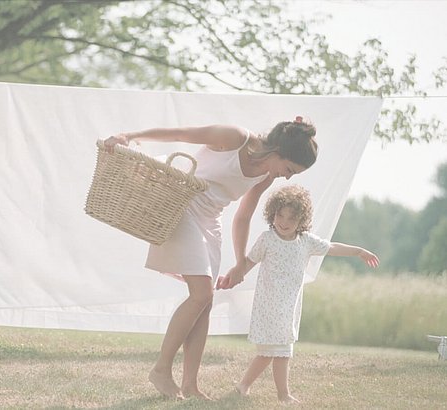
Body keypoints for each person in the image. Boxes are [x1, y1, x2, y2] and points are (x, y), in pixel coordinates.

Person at [103, 117, 318, 400]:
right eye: (289, 169)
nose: (287, 177)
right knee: (200, 293)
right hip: (183, 206)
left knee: (206, 301)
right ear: (279, 150)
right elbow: (181, 132)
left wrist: (240, 261)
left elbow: (243, 216)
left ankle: (190, 384)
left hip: (210, 222)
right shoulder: (235, 136)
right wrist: (127, 133)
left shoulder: (265, 175)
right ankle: (161, 369)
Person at [216, 184, 380, 403]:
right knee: (274, 351)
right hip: (269, 306)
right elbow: (247, 263)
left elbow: (331, 247)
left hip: (288, 307)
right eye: (280, 215)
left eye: (291, 218)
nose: (284, 222)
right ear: (272, 213)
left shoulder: (306, 242)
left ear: (301, 221)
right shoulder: (267, 239)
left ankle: (247, 386)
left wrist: (359, 251)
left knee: (278, 351)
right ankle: (278, 394)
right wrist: (230, 278)